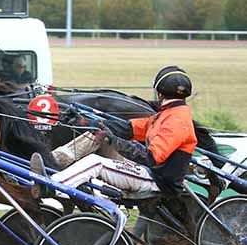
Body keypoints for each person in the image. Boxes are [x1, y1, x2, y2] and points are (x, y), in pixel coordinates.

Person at [30, 66, 197, 198]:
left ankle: (51, 187)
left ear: (159, 93)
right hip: (152, 173)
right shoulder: (167, 115)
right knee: (97, 147)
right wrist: (86, 122)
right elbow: (127, 128)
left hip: (157, 180)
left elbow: (151, 157)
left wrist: (111, 140)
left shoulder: (176, 119)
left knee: (96, 163)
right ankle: (55, 168)